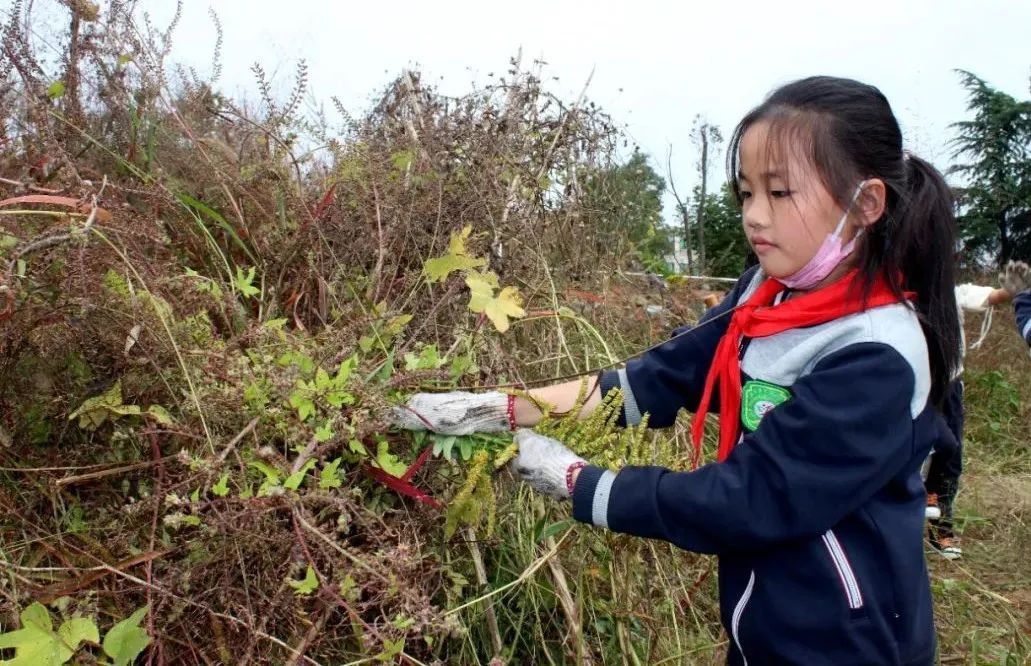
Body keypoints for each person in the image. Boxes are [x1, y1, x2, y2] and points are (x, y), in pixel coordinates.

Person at [394, 77, 960, 665]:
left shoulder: (876, 354)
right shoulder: (765, 294)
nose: (754, 217)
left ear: (865, 204)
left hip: (847, 643)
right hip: (764, 626)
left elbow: (752, 500)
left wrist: (579, 483)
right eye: (745, 193)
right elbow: (654, 381)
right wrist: (500, 408)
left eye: (780, 193)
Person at [924, 282, 1013, 560]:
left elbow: (993, 296)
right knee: (928, 449)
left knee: (952, 458)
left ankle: (941, 531)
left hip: (950, 386)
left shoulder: (953, 292)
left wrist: (1015, 288)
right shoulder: (902, 295)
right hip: (918, 387)